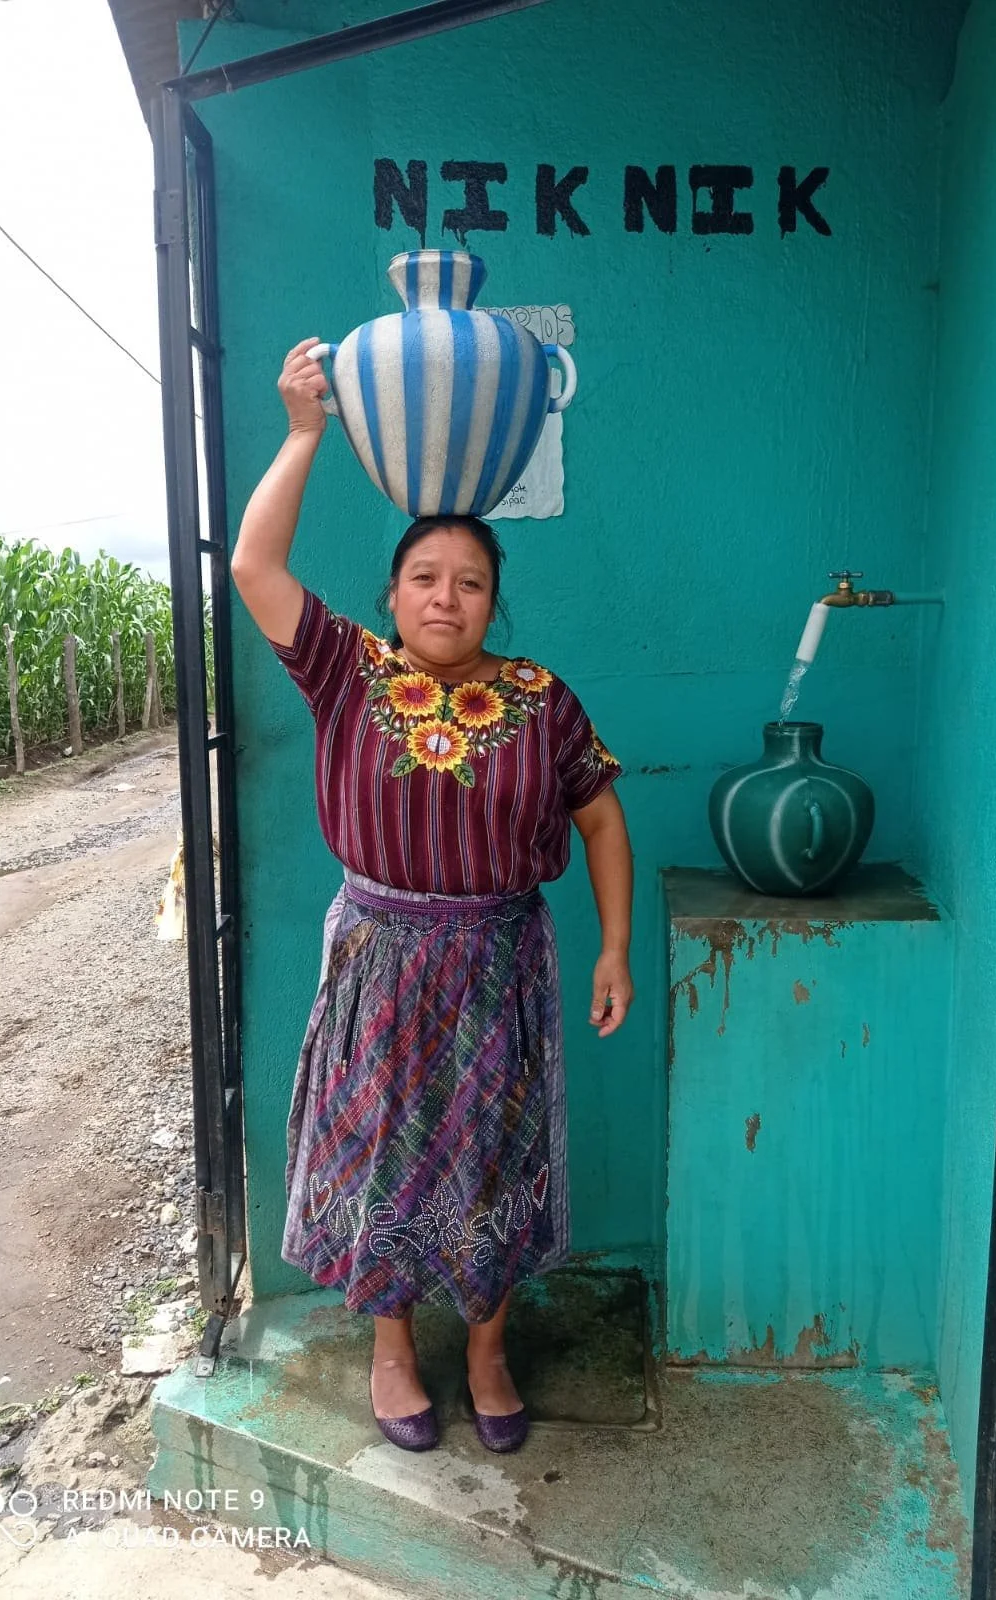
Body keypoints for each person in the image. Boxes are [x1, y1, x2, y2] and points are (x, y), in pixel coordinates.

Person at [231, 337, 634, 1456]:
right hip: (377, 961)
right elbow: (254, 568)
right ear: (392, 595)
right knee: (380, 1154)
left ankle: (490, 1348)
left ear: (493, 603)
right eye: (424, 578)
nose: (445, 596)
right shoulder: (347, 671)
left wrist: (613, 947)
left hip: (500, 963)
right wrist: (306, 431)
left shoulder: (538, 698)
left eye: (469, 582)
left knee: (493, 1158)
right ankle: (393, 1347)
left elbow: (599, 814)